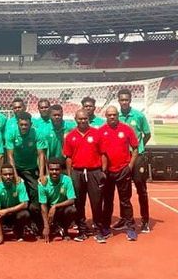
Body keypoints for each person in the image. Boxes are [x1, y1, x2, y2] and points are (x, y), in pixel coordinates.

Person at [63, 109, 104, 242]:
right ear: (75, 119)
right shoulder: (70, 136)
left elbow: (103, 154)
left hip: (94, 172)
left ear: (88, 119)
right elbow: (68, 158)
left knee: (96, 202)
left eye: (85, 118)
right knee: (79, 203)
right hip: (77, 172)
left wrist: (103, 171)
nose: (83, 121)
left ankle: (99, 230)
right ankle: (82, 230)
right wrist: (69, 175)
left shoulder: (96, 134)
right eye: (80, 119)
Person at [99, 106, 139, 242]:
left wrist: (130, 166)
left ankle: (131, 228)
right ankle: (105, 228)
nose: (112, 117)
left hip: (123, 170)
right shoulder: (101, 131)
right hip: (107, 172)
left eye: (114, 115)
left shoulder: (126, 129)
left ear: (117, 115)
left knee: (125, 201)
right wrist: (102, 170)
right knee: (107, 201)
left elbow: (135, 148)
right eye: (109, 115)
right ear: (106, 116)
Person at [116, 88, 152, 233]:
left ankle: (145, 220)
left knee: (141, 189)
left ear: (130, 100)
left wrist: (139, 146)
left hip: (137, 157)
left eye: (126, 99)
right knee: (123, 190)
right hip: (121, 158)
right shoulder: (116, 116)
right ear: (118, 101)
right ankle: (125, 218)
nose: (124, 102)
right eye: (122, 100)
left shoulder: (138, 116)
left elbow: (147, 134)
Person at [5, 111, 47, 230]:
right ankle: (11, 222)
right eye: (21, 124)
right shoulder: (11, 133)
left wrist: (42, 174)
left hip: (31, 168)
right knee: (13, 192)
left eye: (26, 125)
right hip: (16, 167)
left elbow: (41, 155)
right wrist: (15, 174)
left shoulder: (37, 133)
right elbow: (10, 155)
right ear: (18, 123)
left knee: (35, 192)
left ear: (30, 124)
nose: (24, 127)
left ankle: (34, 222)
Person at [39, 157, 77, 243]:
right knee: (36, 209)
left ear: (60, 170)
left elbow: (72, 200)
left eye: (57, 169)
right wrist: (46, 226)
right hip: (48, 209)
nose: (54, 172)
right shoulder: (43, 182)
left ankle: (65, 230)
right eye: (52, 169)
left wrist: (55, 206)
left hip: (61, 208)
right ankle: (49, 228)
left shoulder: (67, 179)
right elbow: (43, 205)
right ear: (48, 170)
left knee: (72, 210)